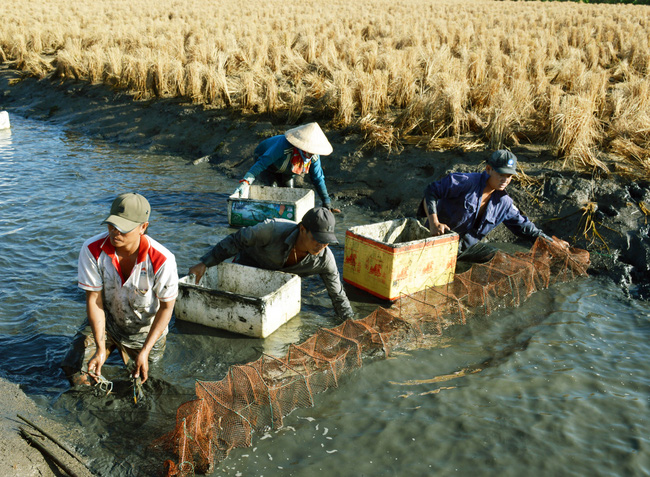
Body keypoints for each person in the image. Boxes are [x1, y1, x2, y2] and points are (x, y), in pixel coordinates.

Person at [62, 193, 178, 386]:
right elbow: (94, 300)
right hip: (108, 323)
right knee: (76, 371)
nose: (115, 232)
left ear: (143, 227)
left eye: (123, 228)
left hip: (144, 331)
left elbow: (167, 308)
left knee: (146, 384)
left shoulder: (162, 260)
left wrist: (145, 350)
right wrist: (100, 348)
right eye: (112, 225)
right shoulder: (92, 249)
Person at [188, 207, 354, 322]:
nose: (321, 246)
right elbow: (236, 240)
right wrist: (205, 263)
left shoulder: (325, 259)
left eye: (326, 242)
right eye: (317, 239)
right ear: (303, 229)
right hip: (249, 266)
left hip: (278, 283)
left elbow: (338, 295)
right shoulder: (271, 229)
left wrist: (350, 321)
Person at [419, 150, 569, 263]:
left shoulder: (504, 203)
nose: (505, 179)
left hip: (463, 252)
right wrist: (434, 223)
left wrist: (551, 243)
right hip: (434, 243)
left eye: (509, 176)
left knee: (500, 259)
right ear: (489, 169)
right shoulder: (465, 182)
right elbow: (431, 192)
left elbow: (526, 229)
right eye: (501, 174)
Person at [234, 122, 341, 213]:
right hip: (268, 162)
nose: (310, 154)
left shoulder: (313, 157)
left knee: (288, 195)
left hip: (287, 169)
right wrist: (246, 182)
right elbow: (262, 163)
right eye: (308, 151)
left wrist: (326, 203)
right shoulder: (284, 146)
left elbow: (318, 178)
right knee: (272, 190)